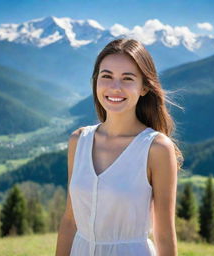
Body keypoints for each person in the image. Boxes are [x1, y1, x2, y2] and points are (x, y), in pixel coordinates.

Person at [55, 38, 184, 256]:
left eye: (127, 78)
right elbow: (70, 220)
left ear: (144, 87)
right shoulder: (78, 141)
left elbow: (164, 234)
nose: (115, 87)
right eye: (107, 76)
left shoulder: (156, 148)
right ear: (96, 81)